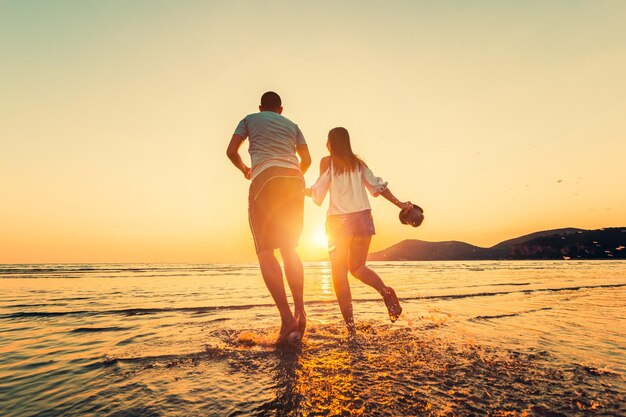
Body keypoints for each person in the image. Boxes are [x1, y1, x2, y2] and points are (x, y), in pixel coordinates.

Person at [305, 127, 411, 336]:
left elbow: (318, 192)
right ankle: (385, 292)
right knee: (358, 267)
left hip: (338, 223)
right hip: (363, 220)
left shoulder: (327, 162)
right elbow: (378, 187)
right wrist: (400, 205)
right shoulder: (358, 164)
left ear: (331, 143)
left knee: (339, 275)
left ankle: (351, 329)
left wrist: (295, 189)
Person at [227, 91, 311, 345]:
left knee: (265, 250)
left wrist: (245, 170)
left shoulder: (249, 119)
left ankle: (287, 319)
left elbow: (231, 151)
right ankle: (300, 311)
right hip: (295, 180)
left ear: (261, 107)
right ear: (281, 110)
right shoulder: (292, 125)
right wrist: (293, 177)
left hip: (265, 178)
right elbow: (306, 159)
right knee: (289, 248)